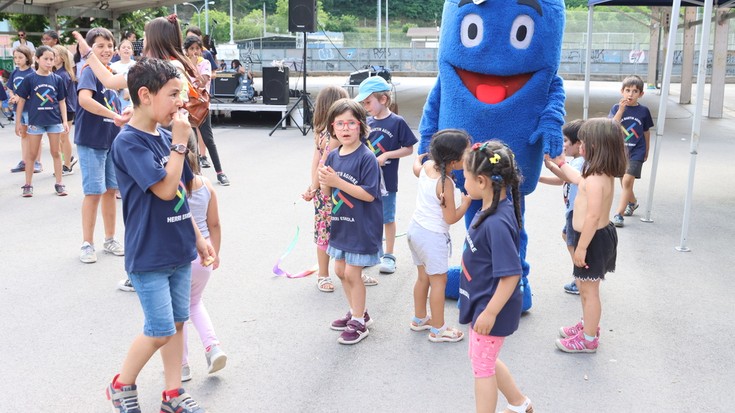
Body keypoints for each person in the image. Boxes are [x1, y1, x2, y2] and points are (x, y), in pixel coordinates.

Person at [107, 57, 213, 413]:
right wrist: (180, 144)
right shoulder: (129, 143)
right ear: (145, 95)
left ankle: (172, 394)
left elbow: (180, 197)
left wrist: (199, 237)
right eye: (173, 94)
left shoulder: (167, 137)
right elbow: (165, 190)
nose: (180, 102)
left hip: (180, 250)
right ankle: (122, 385)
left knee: (178, 322)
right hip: (149, 255)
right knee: (160, 328)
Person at [460, 140, 532, 413]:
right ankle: (519, 403)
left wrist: (489, 313)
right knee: (483, 359)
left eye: (465, 178)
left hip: (492, 304)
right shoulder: (491, 208)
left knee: (482, 367)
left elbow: (511, 275)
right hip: (484, 299)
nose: (463, 182)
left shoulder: (497, 222)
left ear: (481, 180)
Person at [554, 118, 627, 354]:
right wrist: (559, 163)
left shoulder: (596, 179)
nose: (580, 144)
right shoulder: (596, 172)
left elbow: (593, 217)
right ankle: (588, 325)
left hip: (592, 240)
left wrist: (582, 248)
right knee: (586, 288)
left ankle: (588, 339)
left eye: (583, 141)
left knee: (589, 291)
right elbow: (575, 179)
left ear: (595, 146)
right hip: (594, 238)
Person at [318, 98, 382, 345]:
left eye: (351, 123)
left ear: (361, 126)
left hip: (362, 226)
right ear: (333, 127)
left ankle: (359, 322)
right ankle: (358, 311)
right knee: (340, 270)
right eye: (340, 124)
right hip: (341, 225)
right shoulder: (333, 156)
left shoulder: (367, 158)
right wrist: (323, 182)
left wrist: (337, 182)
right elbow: (327, 193)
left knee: (353, 273)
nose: (345, 129)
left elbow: (368, 194)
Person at [407, 129, 471, 342]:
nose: (469, 156)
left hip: (415, 230)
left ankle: (419, 319)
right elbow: (451, 218)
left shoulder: (426, 167)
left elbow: (416, 168)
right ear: (453, 161)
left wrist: (416, 160)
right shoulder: (446, 184)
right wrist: (466, 204)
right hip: (432, 238)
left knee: (422, 277)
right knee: (439, 282)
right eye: (467, 153)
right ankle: (438, 329)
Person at [355, 76, 417, 275]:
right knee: (367, 217)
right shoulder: (366, 122)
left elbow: (409, 148)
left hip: (387, 181)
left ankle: (389, 256)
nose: (366, 107)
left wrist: (387, 155)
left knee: (387, 218)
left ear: (383, 99)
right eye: (363, 103)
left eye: (368, 102)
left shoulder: (397, 122)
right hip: (366, 181)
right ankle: (371, 253)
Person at [75, 28, 126, 264]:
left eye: (109, 45)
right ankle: (87, 244)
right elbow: (84, 100)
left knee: (110, 191)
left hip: (111, 140)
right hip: (91, 141)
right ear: (89, 50)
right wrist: (112, 114)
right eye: (100, 46)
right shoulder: (89, 71)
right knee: (93, 192)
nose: (106, 50)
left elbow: (119, 104)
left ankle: (110, 238)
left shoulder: (111, 73)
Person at [180, 133, 226, 383]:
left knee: (178, 313)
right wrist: (215, 253)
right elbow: (215, 224)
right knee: (195, 303)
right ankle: (213, 347)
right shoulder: (206, 185)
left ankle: (182, 365)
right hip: (204, 255)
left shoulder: (168, 186)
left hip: (181, 255)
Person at [301, 85, 349, 293]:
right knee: (329, 232)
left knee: (335, 231)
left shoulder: (321, 130)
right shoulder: (333, 135)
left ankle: (349, 270)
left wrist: (313, 187)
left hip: (333, 188)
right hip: (332, 190)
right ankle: (323, 274)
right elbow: (321, 161)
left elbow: (316, 160)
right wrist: (315, 187)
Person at [14, 46, 69, 197]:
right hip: (35, 122)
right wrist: (18, 122)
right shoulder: (29, 79)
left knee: (56, 152)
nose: (49, 62)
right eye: (45, 59)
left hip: (54, 121)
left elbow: (62, 102)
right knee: (31, 154)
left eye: (52, 59)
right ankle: (28, 184)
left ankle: (59, 183)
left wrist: (64, 121)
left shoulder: (57, 79)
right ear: (37, 59)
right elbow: (21, 101)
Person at [539, 119, 585, 295]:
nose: (563, 144)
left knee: (573, 244)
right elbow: (563, 179)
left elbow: (568, 177)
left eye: (566, 140)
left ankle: (580, 277)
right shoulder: (576, 163)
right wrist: (542, 176)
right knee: (567, 236)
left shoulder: (578, 163)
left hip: (575, 211)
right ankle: (582, 274)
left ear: (579, 143)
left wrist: (555, 163)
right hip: (572, 211)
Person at [183, 34, 230, 186]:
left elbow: (203, 81)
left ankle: (220, 172)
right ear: (187, 50)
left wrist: (194, 67)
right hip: (187, 107)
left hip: (202, 106)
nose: (195, 52)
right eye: (191, 49)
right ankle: (196, 175)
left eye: (197, 49)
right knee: (192, 142)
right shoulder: (183, 64)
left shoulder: (205, 63)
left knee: (208, 139)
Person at [608, 75, 653, 228]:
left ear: (641, 94)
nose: (630, 94)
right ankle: (632, 202)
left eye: (635, 91)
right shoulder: (616, 108)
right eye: (627, 90)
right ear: (622, 91)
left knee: (627, 180)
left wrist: (646, 149)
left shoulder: (644, 111)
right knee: (623, 181)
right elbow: (613, 125)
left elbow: (646, 132)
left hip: (636, 151)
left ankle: (618, 214)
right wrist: (621, 110)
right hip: (620, 151)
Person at [7, 46, 42, 174]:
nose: (17, 60)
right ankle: (25, 161)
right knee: (24, 134)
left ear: (28, 58)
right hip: (18, 109)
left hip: (30, 108)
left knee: (35, 135)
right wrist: (12, 97)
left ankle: (37, 162)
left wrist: (19, 97)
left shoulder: (32, 74)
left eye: (20, 57)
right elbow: (10, 88)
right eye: (15, 57)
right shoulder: (15, 73)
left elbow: (34, 92)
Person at [53, 44, 79, 176]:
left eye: (55, 55)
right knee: (60, 138)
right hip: (62, 109)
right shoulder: (57, 73)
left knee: (63, 137)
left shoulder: (63, 74)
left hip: (67, 108)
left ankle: (68, 165)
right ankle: (68, 160)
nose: (52, 57)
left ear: (62, 58)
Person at [110, 39, 136, 111]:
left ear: (132, 52)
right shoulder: (112, 66)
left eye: (129, 47)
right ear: (118, 51)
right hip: (115, 99)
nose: (126, 49)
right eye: (123, 47)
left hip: (132, 100)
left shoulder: (136, 65)